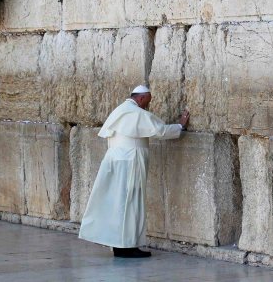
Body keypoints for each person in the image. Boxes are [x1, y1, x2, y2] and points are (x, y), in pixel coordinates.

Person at [78, 85, 190, 258]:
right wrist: (179, 126)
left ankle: (119, 245)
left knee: (118, 203)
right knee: (130, 204)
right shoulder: (135, 113)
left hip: (116, 160)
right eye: (147, 102)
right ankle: (128, 247)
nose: (147, 106)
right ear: (142, 98)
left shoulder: (121, 110)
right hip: (130, 162)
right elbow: (159, 130)